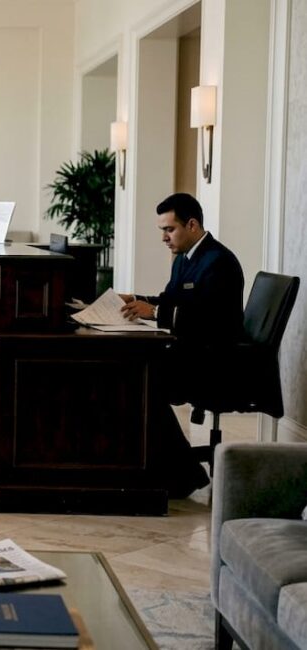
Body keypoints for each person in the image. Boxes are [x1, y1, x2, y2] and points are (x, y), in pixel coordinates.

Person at [120, 192, 245, 497]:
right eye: (162, 230)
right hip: (191, 353)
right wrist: (138, 300)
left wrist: (157, 312)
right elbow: (171, 301)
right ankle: (162, 468)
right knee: (133, 373)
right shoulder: (184, 259)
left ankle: (184, 474)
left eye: (169, 229)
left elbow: (209, 319)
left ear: (191, 225)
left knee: (142, 379)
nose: (164, 237)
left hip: (214, 361)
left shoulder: (219, 262)